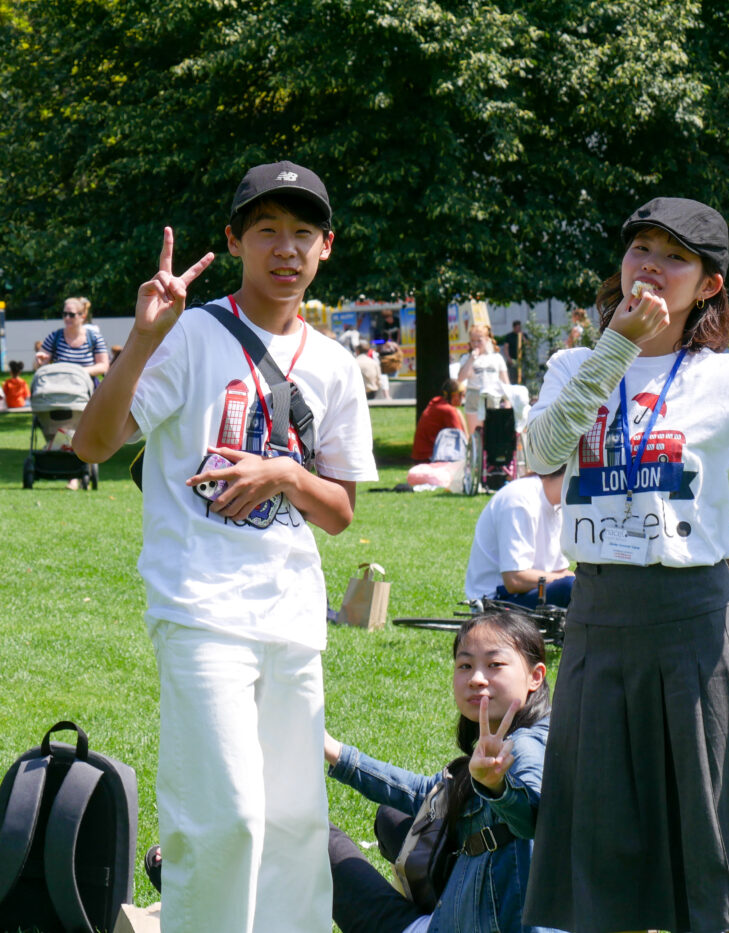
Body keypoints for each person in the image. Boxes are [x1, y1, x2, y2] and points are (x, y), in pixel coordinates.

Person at [521, 195, 729, 933]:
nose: (651, 265)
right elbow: (541, 453)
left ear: (708, 283)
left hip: (700, 631)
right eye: (641, 247)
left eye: (675, 255)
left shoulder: (725, 379)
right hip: (599, 628)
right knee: (611, 871)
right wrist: (616, 347)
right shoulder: (574, 364)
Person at [71, 160, 378, 933]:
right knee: (228, 817)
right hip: (201, 607)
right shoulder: (192, 335)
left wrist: (283, 472)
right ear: (235, 240)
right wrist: (142, 338)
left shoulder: (337, 365)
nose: (286, 248)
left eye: (302, 232)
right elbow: (92, 442)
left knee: (297, 823)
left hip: (293, 616)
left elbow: (340, 510)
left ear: (326, 246)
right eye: (267, 230)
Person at [324, 610, 561, 933]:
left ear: (535, 676)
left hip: (473, 924)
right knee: (391, 816)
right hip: (481, 904)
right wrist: (337, 753)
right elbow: (428, 794)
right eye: (465, 665)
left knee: (321, 838)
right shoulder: (553, 733)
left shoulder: (523, 748)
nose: (477, 678)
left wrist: (499, 789)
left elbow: (533, 818)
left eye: (495, 665)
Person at [465, 469, 574, 609]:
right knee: (571, 587)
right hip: (495, 602)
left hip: (528, 593)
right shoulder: (519, 498)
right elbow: (514, 580)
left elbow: (558, 572)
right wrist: (577, 581)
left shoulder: (559, 504)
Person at [35, 296, 111, 379]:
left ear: (83, 316)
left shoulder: (95, 338)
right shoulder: (54, 337)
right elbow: (40, 366)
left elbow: (103, 366)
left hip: (85, 388)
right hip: (58, 387)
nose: (67, 318)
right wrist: (41, 361)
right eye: (64, 314)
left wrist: (78, 372)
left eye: (71, 315)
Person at [458, 323, 509, 434]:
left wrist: (508, 401)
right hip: (474, 396)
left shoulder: (497, 358)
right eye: (473, 341)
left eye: (479, 341)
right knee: (474, 433)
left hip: (492, 398)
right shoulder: (466, 358)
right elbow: (460, 378)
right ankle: (476, 451)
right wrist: (471, 359)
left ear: (487, 339)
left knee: (493, 433)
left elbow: (505, 382)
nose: (476, 344)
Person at [412, 378, 467, 462]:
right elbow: (461, 438)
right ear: (455, 395)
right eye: (462, 395)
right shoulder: (448, 410)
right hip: (429, 457)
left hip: (420, 455)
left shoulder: (437, 403)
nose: (463, 398)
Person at [500, 320, 525, 384]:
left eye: (519, 328)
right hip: (512, 359)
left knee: (522, 376)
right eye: (517, 328)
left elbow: (529, 345)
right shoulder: (509, 336)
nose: (518, 329)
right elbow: (505, 348)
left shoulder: (523, 335)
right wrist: (508, 358)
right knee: (512, 377)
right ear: (514, 328)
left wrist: (523, 337)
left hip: (522, 360)